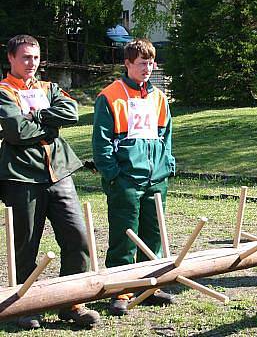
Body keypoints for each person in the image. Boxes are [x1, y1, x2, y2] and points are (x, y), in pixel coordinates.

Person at [0, 35, 100, 329]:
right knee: (26, 244)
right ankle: (22, 306)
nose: (32, 63)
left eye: (36, 57)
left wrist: (39, 113)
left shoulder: (48, 88)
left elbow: (72, 112)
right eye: (25, 57)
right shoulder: (3, 91)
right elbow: (16, 131)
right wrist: (49, 125)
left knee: (77, 238)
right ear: (11, 58)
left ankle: (71, 303)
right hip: (21, 175)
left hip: (59, 171)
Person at [92, 39, 176, 315]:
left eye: (151, 62)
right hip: (125, 180)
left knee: (153, 235)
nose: (148, 68)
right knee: (124, 236)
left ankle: (150, 287)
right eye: (142, 63)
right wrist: (113, 175)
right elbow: (101, 143)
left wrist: (167, 165)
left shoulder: (159, 98)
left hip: (156, 178)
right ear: (127, 64)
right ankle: (120, 290)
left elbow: (166, 136)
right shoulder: (109, 96)